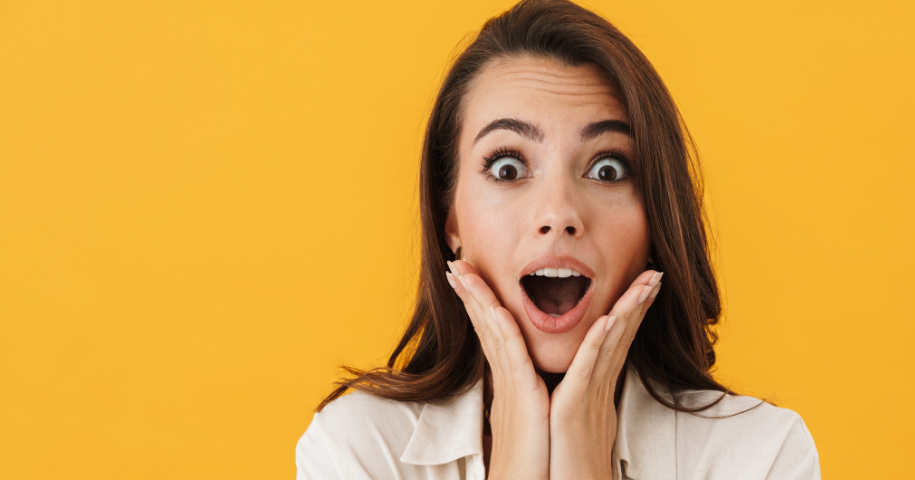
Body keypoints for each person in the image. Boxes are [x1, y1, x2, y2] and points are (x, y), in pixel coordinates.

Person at [296, 0, 821, 478]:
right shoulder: (358, 450)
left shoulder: (760, 454)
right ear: (449, 220)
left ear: (657, 218)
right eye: (507, 168)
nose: (559, 214)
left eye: (608, 169)